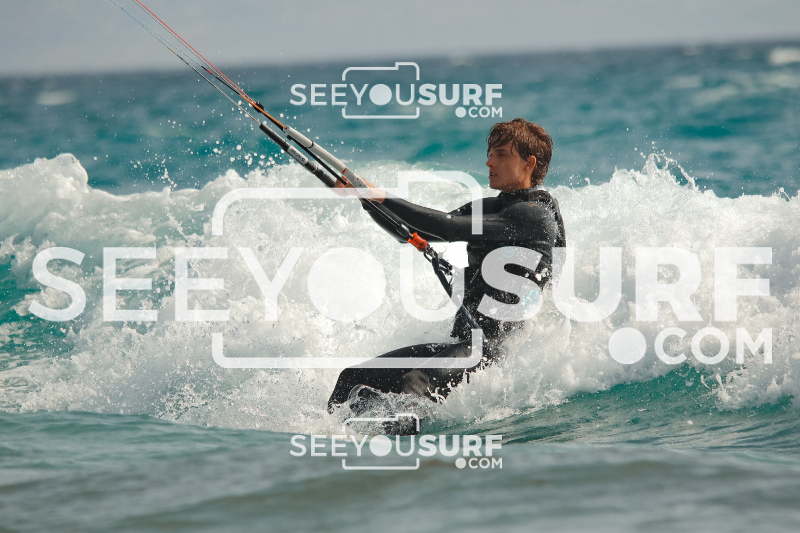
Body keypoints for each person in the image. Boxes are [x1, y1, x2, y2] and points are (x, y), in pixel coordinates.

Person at [327, 118, 566, 412]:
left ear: (529, 163)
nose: (489, 162)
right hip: (468, 344)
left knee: (415, 384)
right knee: (352, 378)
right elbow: (412, 232)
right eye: (490, 154)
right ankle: (334, 438)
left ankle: (410, 442)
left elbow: (447, 227)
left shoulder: (534, 215)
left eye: (501, 154)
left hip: (494, 353)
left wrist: (377, 194)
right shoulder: (492, 207)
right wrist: (365, 199)